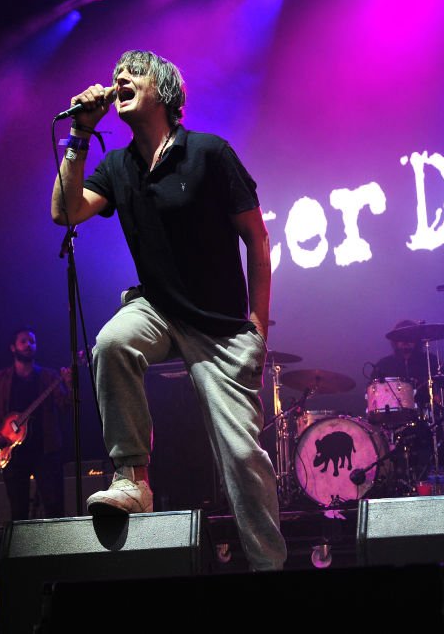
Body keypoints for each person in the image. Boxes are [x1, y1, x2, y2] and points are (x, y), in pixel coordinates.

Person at [50, 50, 286, 571]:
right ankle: (132, 479)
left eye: (133, 74)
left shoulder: (209, 153)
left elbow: (258, 240)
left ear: (164, 91)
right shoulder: (117, 165)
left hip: (221, 328)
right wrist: (81, 136)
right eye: (116, 75)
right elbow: (64, 212)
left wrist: (258, 329)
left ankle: (271, 571)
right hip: (158, 309)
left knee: (242, 458)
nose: (119, 80)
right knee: (111, 342)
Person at [0, 327, 71, 521]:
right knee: (18, 511)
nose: (29, 345)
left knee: (54, 508)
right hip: (12, 454)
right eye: (23, 341)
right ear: (13, 348)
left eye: (32, 341)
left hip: (45, 451)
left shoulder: (49, 376)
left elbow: (66, 407)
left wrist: (70, 385)